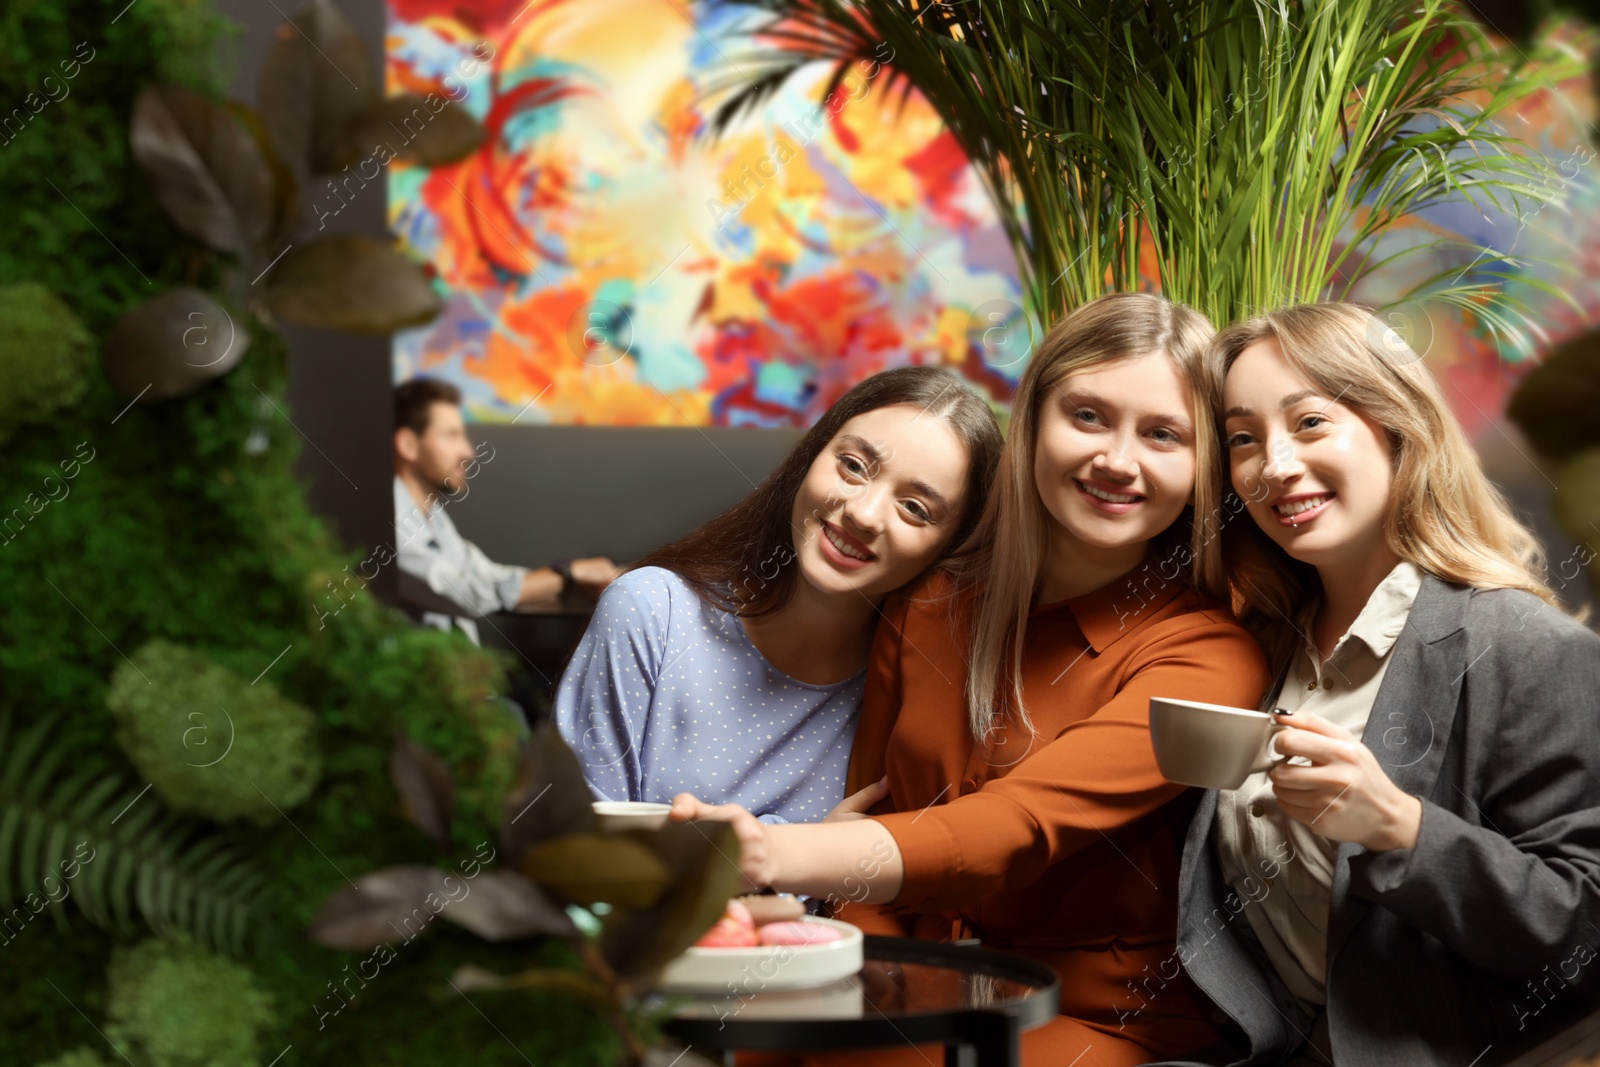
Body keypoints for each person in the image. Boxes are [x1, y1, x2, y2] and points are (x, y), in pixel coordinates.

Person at [672, 292, 1273, 1066]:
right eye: (1087, 415)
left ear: (1202, 469)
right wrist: (847, 995)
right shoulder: (928, 600)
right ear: (1033, 424)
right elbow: (873, 840)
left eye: (1163, 435)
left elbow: (1011, 830)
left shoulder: (1208, 655)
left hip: (1096, 1024)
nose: (1116, 460)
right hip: (914, 991)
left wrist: (762, 851)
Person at [1160, 302, 1600, 1067]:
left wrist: (1401, 826)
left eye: (1308, 422)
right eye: (1242, 438)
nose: (1274, 464)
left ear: (1396, 425)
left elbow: (1586, 934)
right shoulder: (1258, 646)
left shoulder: (1527, 646)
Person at [554, 367, 1001, 825]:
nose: (864, 514)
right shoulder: (651, 611)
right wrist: (797, 858)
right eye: (853, 465)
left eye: (915, 508)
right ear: (811, 455)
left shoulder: (923, 694)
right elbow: (574, 847)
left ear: (952, 549)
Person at [392, 378, 621, 645]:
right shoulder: (387, 521)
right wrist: (567, 573)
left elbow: (489, 576)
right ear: (408, 444)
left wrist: (575, 584)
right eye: (451, 435)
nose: (467, 451)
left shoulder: (433, 516)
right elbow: (465, 592)